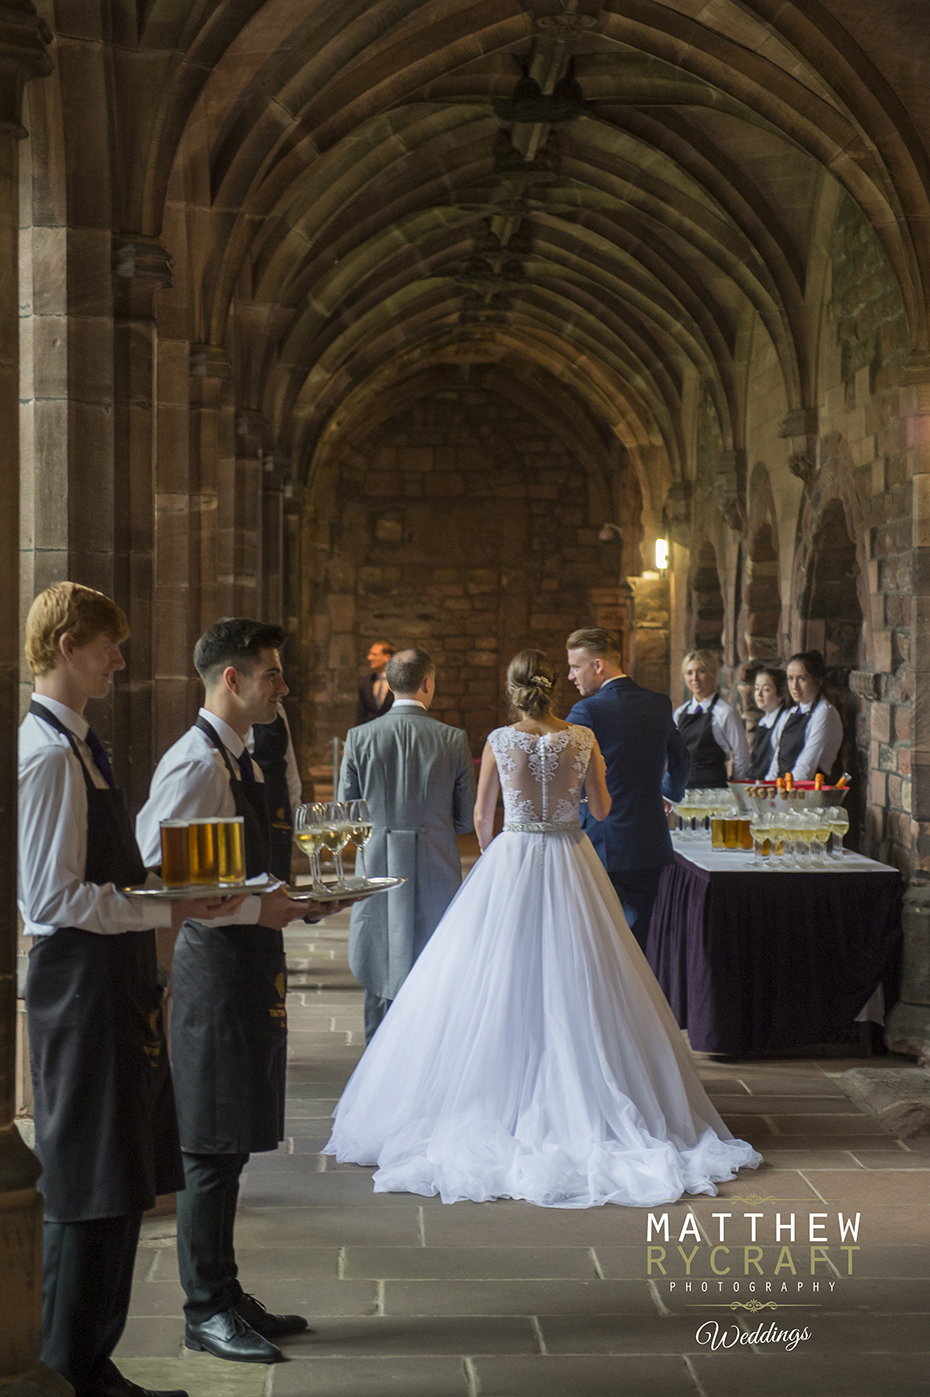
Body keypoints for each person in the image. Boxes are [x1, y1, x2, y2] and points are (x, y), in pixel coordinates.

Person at [325, 650, 760, 1208]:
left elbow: (483, 818)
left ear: (511, 691)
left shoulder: (500, 741)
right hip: (570, 855)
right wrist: (572, 805)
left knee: (493, 975)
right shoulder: (581, 740)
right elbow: (600, 811)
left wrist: (496, 856)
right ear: (554, 688)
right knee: (582, 972)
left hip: (514, 854)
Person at [19, 582, 245, 1397]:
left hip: (110, 980)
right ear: (67, 644)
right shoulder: (46, 754)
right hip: (76, 988)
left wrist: (175, 886)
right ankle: (66, 1368)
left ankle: (93, 1360)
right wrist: (165, 903)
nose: (121, 659)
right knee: (88, 1184)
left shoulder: (80, 744)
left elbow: (99, 873)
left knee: (118, 1182)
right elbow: (49, 900)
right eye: (109, 645)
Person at [136, 619, 341, 1365]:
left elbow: (230, 862)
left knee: (236, 1138)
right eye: (272, 674)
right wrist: (259, 905)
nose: (281, 686)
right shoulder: (195, 762)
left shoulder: (242, 757)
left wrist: (293, 896)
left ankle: (224, 1287)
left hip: (250, 960)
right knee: (211, 1147)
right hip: (213, 970)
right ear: (233, 678)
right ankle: (202, 1308)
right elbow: (154, 864)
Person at [338, 647, 476, 1043]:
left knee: (378, 961)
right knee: (434, 966)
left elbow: (346, 815)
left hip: (376, 863)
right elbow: (465, 819)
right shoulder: (452, 739)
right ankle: (426, 1055)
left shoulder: (359, 737)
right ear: (428, 683)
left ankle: (374, 1062)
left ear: (390, 682)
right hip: (435, 865)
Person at [565, 627, 690, 952]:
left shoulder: (587, 712)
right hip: (649, 842)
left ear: (598, 665)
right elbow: (681, 759)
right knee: (640, 943)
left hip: (602, 842)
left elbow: (562, 771)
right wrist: (668, 794)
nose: (570, 676)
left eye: (576, 667)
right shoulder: (659, 703)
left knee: (599, 942)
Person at [673, 649, 750, 787]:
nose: (694, 678)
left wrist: (732, 786)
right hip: (683, 790)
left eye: (701, 671)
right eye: (689, 673)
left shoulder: (726, 712)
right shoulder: (679, 713)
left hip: (714, 789)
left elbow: (741, 756)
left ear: (713, 674)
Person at [770, 649, 844, 782]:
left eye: (802, 679)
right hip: (783, 790)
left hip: (807, 792)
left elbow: (806, 767)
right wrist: (768, 786)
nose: (794, 686)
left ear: (818, 681)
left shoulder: (824, 713)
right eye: (790, 679)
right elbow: (777, 760)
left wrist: (786, 794)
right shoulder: (789, 714)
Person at [248, 704, 302, 880]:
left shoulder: (278, 708)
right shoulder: (237, 714)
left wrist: (295, 808)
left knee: (279, 872)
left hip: (278, 799)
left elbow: (288, 762)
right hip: (251, 803)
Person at [747, 665, 790, 781]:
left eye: (766, 689)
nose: (759, 694)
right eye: (756, 688)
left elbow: (777, 760)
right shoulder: (764, 721)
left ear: (780, 694)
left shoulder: (784, 719)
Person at [356, 640, 396, 724]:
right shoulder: (366, 682)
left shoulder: (399, 682)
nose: (369, 658)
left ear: (387, 657)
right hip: (370, 732)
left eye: (374, 654)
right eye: (370, 654)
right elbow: (361, 713)